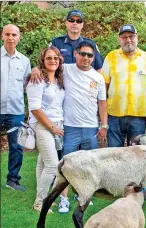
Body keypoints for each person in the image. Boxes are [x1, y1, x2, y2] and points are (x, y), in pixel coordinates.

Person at [30, 40, 108, 213]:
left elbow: (102, 103)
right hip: (69, 126)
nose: (86, 58)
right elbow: (47, 66)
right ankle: (63, 199)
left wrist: (104, 125)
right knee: (66, 165)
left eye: (90, 55)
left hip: (90, 127)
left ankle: (83, 194)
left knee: (88, 164)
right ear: (75, 54)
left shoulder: (98, 77)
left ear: (93, 57)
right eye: (83, 54)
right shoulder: (66, 69)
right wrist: (35, 69)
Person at [101, 24, 146, 147]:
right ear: (119, 39)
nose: (128, 40)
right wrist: (103, 114)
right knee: (115, 154)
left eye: (131, 36)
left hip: (138, 116)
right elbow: (103, 86)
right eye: (124, 37)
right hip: (114, 115)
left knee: (137, 154)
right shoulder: (111, 57)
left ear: (137, 37)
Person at [26, 46, 65, 212]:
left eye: (56, 58)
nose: (53, 60)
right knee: (52, 165)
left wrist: (56, 126)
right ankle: (39, 202)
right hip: (43, 125)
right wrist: (52, 127)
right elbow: (34, 108)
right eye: (49, 58)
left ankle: (41, 197)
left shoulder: (58, 80)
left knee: (43, 161)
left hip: (56, 123)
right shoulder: (37, 79)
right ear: (42, 60)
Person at [0, 24, 31, 191]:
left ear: (19, 37)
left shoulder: (25, 61)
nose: (11, 37)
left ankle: (12, 180)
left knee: (16, 147)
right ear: (2, 36)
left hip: (16, 111)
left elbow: (27, 86)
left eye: (14, 34)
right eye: (8, 34)